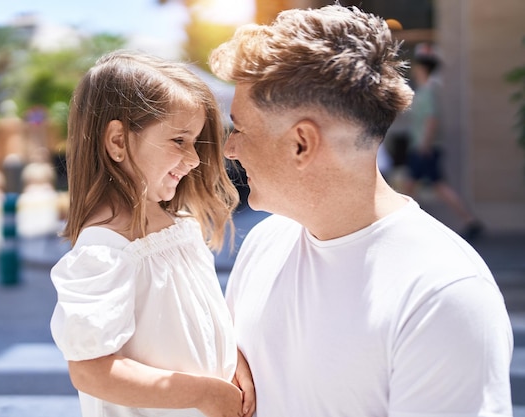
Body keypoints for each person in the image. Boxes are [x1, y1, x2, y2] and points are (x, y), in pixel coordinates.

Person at [208, 4, 513, 416]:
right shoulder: (264, 242)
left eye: (239, 128)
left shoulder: (442, 293)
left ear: (302, 143)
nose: (230, 149)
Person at [50, 50, 255, 417]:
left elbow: (202, 321)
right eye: (179, 140)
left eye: (195, 143)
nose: (193, 159)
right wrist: (204, 394)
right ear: (117, 142)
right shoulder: (106, 254)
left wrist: (232, 358)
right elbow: (91, 370)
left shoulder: (180, 228)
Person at [403, 43, 484, 241]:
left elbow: (432, 119)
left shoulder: (428, 91)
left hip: (424, 148)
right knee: (427, 186)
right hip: (423, 146)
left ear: (423, 68)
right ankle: (469, 220)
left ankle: (408, 226)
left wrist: (425, 144)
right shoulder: (425, 89)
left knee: (414, 187)